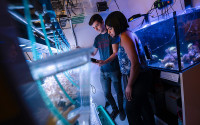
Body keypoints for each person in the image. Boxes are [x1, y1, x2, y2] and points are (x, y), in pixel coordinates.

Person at [105, 11, 155, 125]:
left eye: (110, 28)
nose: (109, 31)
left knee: (131, 110)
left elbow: (135, 64)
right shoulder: (124, 35)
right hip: (137, 76)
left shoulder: (125, 36)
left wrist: (129, 85)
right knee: (143, 106)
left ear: (117, 25)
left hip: (139, 77)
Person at [89, 14, 125, 120]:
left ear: (102, 22)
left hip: (114, 70)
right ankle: (115, 109)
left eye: (97, 25)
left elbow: (115, 53)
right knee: (107, 94)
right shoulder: (97, 38)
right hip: (103, 71)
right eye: (94, 28)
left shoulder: (113, 35)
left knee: (119, 92)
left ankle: (122, 110)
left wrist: (104, 62)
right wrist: (82, 51)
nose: (96, 29)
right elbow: (93, 53)